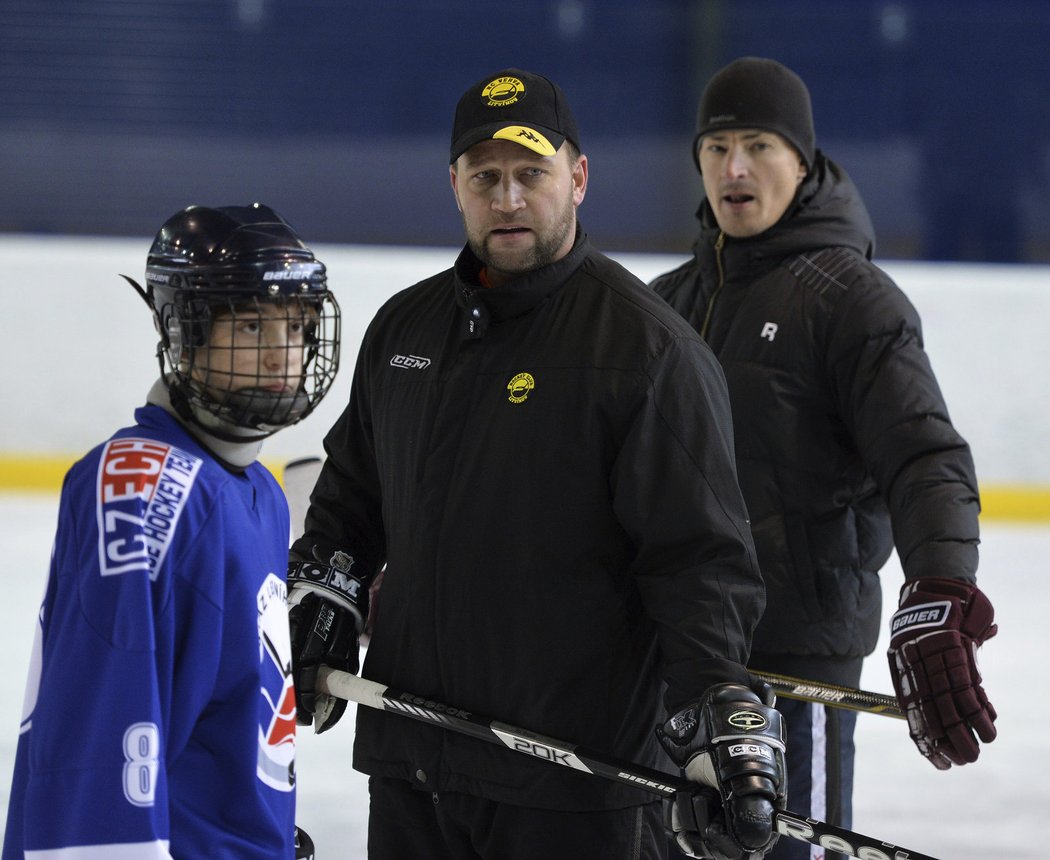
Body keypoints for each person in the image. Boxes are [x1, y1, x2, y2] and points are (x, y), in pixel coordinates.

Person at [286, 68, 786, 859]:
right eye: (485, 176)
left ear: (578, 178)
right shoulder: (404, 330)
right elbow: (352, 495)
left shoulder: (645, 351)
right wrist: (329, 586)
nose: (508, 199)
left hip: (576, 785)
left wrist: (713, 712)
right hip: (416, 760)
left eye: (531, 174)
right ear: (454, 185)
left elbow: (699, 560)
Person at [650, 57, 998, 860]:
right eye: (716, 147)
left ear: (802, 163)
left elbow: (923, 457)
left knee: (778, 851)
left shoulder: (851, 300)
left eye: (759, 145)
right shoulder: (665, 304)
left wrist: (940, 585)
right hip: (681, 655)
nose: (734, 167)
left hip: (794, 664)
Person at [2, 204, 340, 859]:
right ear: (186, 332)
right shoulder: (143, 484)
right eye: (249, 325)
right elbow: (101, 743)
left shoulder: (261, 491)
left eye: (297, 327)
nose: (283, 354)